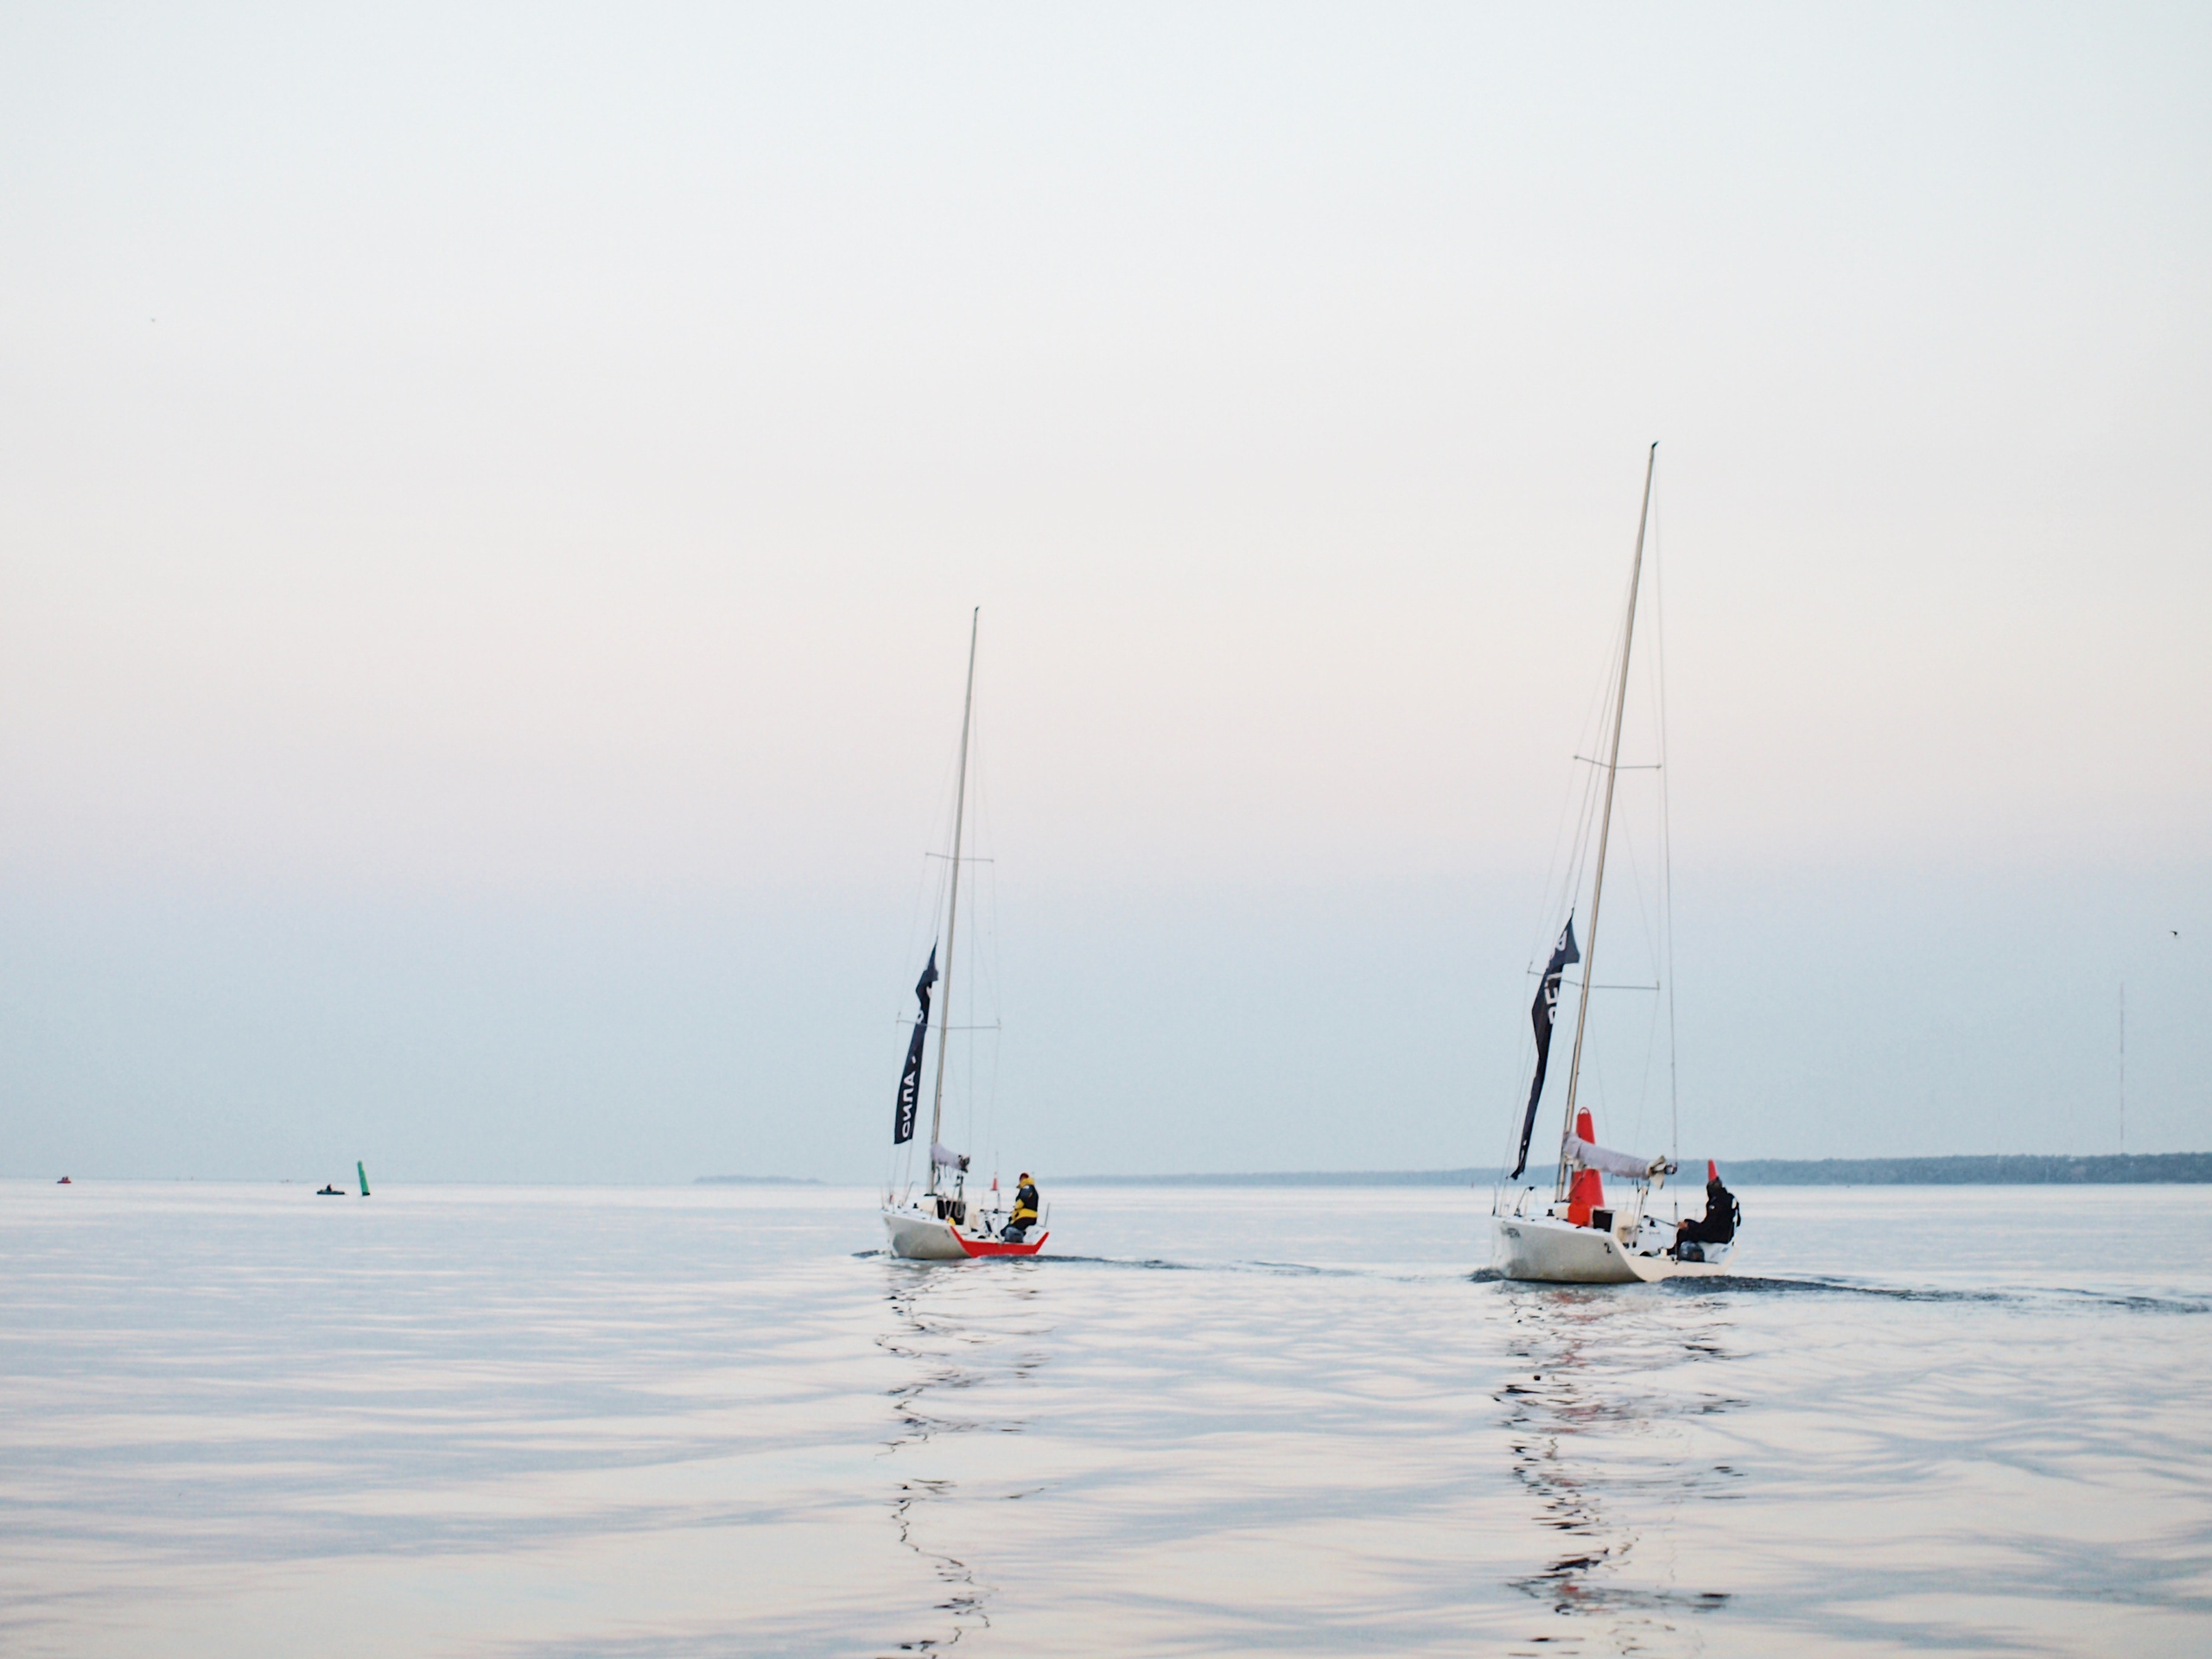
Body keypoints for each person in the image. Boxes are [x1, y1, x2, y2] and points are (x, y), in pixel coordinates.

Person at [1674, 1161, 1739, 1258]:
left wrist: (1689, 1226)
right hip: (1727, 1236)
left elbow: (1708, 1227)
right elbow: (1738, 1222)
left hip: (1717, 1236)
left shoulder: (1716, 1203)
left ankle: (1674, 1254)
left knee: (1684, 1232)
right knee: (1688, 1223)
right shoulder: (1731, 1198)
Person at [1002, 1173, 1040, 1242]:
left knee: (1008, 1229)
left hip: (1025, 1217)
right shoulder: (1031, 1188)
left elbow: (1023, 1199)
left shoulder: (1027, 1187)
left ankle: (1012, 1242)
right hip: (1029, 1216)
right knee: (1009, 1226)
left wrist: (1016, 1207)